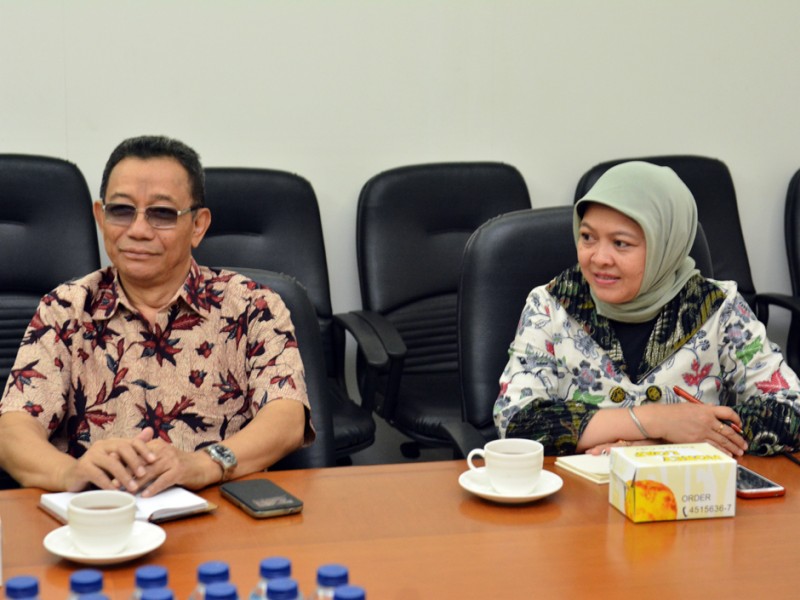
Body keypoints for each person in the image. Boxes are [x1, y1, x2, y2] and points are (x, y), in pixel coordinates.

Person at [0, 135, 314, 496]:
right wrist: (70, 473)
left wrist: (204, 464)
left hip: (219, 510)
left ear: (198, 226)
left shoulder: (252, 306)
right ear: (100, 217)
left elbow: (287, 419)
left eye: (162, 214)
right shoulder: (65, 309)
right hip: (98, 514)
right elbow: (13, 431)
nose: (138, 230)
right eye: (121, 211)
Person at [493, 161, 800, 457]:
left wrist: (658, 444)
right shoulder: (552, 304)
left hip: (691, 488)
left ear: (665, 244)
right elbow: (516, 421)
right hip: (578, 489)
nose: (599, 258)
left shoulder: (717, 306)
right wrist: (659, 421)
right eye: (587, 237)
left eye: (621, 243)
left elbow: (791, 411)